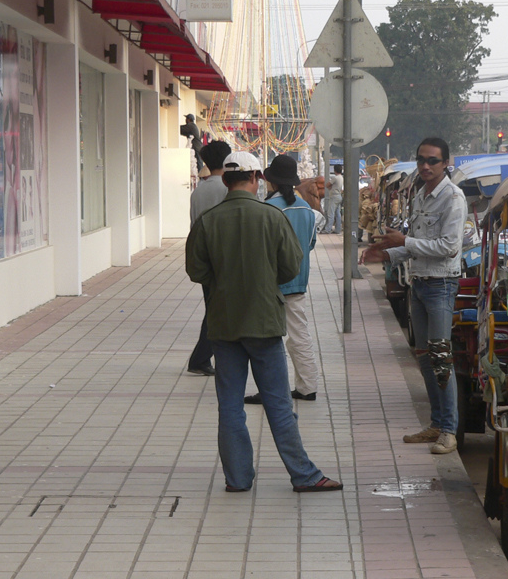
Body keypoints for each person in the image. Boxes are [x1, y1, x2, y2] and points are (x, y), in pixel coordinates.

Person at [185, 151, 342, 493]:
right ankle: (303, 475)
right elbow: (290, 268)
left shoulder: (208, 221)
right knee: (278, 405)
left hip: (224, 325)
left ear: (225, 180)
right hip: (265, 323)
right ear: (256, 178)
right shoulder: (271, 218)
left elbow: (196, 271)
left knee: (230, 406)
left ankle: (238, 478)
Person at [362, 137, 466, 455]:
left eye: (433, 160)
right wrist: (388, 254)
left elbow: (448, 247)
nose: (425, 166)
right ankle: (436, 423)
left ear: (446, 163)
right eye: (421, 159)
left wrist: (404, 242)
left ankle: (449, 431)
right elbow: (414, 244)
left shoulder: (453, 198)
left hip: (441, 285)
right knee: (423, 358)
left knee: (439, 357)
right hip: (418, 284)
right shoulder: (420, 194)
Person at [245, 154, 320, 403]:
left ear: (271, 182)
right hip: (297, 283)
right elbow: (309, 245)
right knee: (300, 335)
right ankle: (307, 387)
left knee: (267, 340)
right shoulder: (307, 210)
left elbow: (258, 249)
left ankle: (270, 390)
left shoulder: (267, 209)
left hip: (269, 285)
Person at [187, 140, 233, 376]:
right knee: (217, 311)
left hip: (204, 257)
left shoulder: (198, 191)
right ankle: (200, 358)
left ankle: (202, 358)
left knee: (213, 307)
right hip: (223, 258)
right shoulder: (227, 189)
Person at [324, 163, 344, 233]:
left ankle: (328, 229)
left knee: (331, 213)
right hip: (339, 196)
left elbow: (327, 185)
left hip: (334, 197)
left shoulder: (335, 178)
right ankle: (338, 229)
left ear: (335, 170)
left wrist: (330, 188)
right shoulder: (341, 177)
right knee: (337, 213)